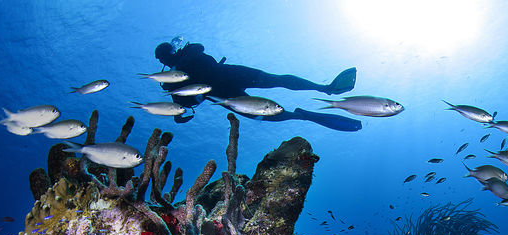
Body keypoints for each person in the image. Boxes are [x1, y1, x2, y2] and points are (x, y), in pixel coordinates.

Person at [154, 42, 361, 131]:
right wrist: (179, 115)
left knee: (274, 87)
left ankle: (316, 98)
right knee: (275, 84)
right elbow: (181, 104)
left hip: (224, 88)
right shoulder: (178, 69)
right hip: (228, 80)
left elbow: (180, 107)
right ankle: (319, 95)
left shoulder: (177, 69)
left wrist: (180, 116)